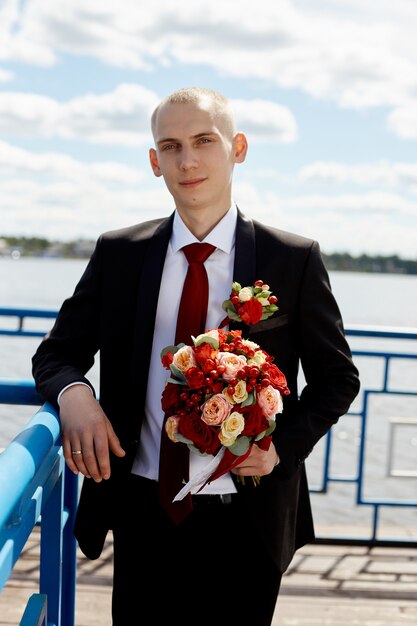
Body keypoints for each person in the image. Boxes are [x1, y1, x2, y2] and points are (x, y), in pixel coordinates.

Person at [32, 86, 360, 626]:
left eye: (204, 141)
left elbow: (337, 380)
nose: (188, 160)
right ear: (154, 162)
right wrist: (76, 397)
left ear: (239, 148)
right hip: (143, 508)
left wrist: (278, 449)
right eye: (172, 146)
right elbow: (57, 354)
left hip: (249, 513)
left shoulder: (292, 259)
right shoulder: (121, 254)